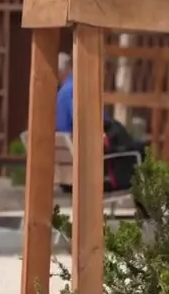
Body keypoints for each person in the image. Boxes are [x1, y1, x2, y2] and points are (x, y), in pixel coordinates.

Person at [54, 52, 148, 192]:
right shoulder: (77, 89)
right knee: (139, 150)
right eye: (102, 68)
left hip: (73, 161)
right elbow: (87, 123)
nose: (104, 73)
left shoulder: (63, 92)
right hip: (88, 160)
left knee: (132, 145)